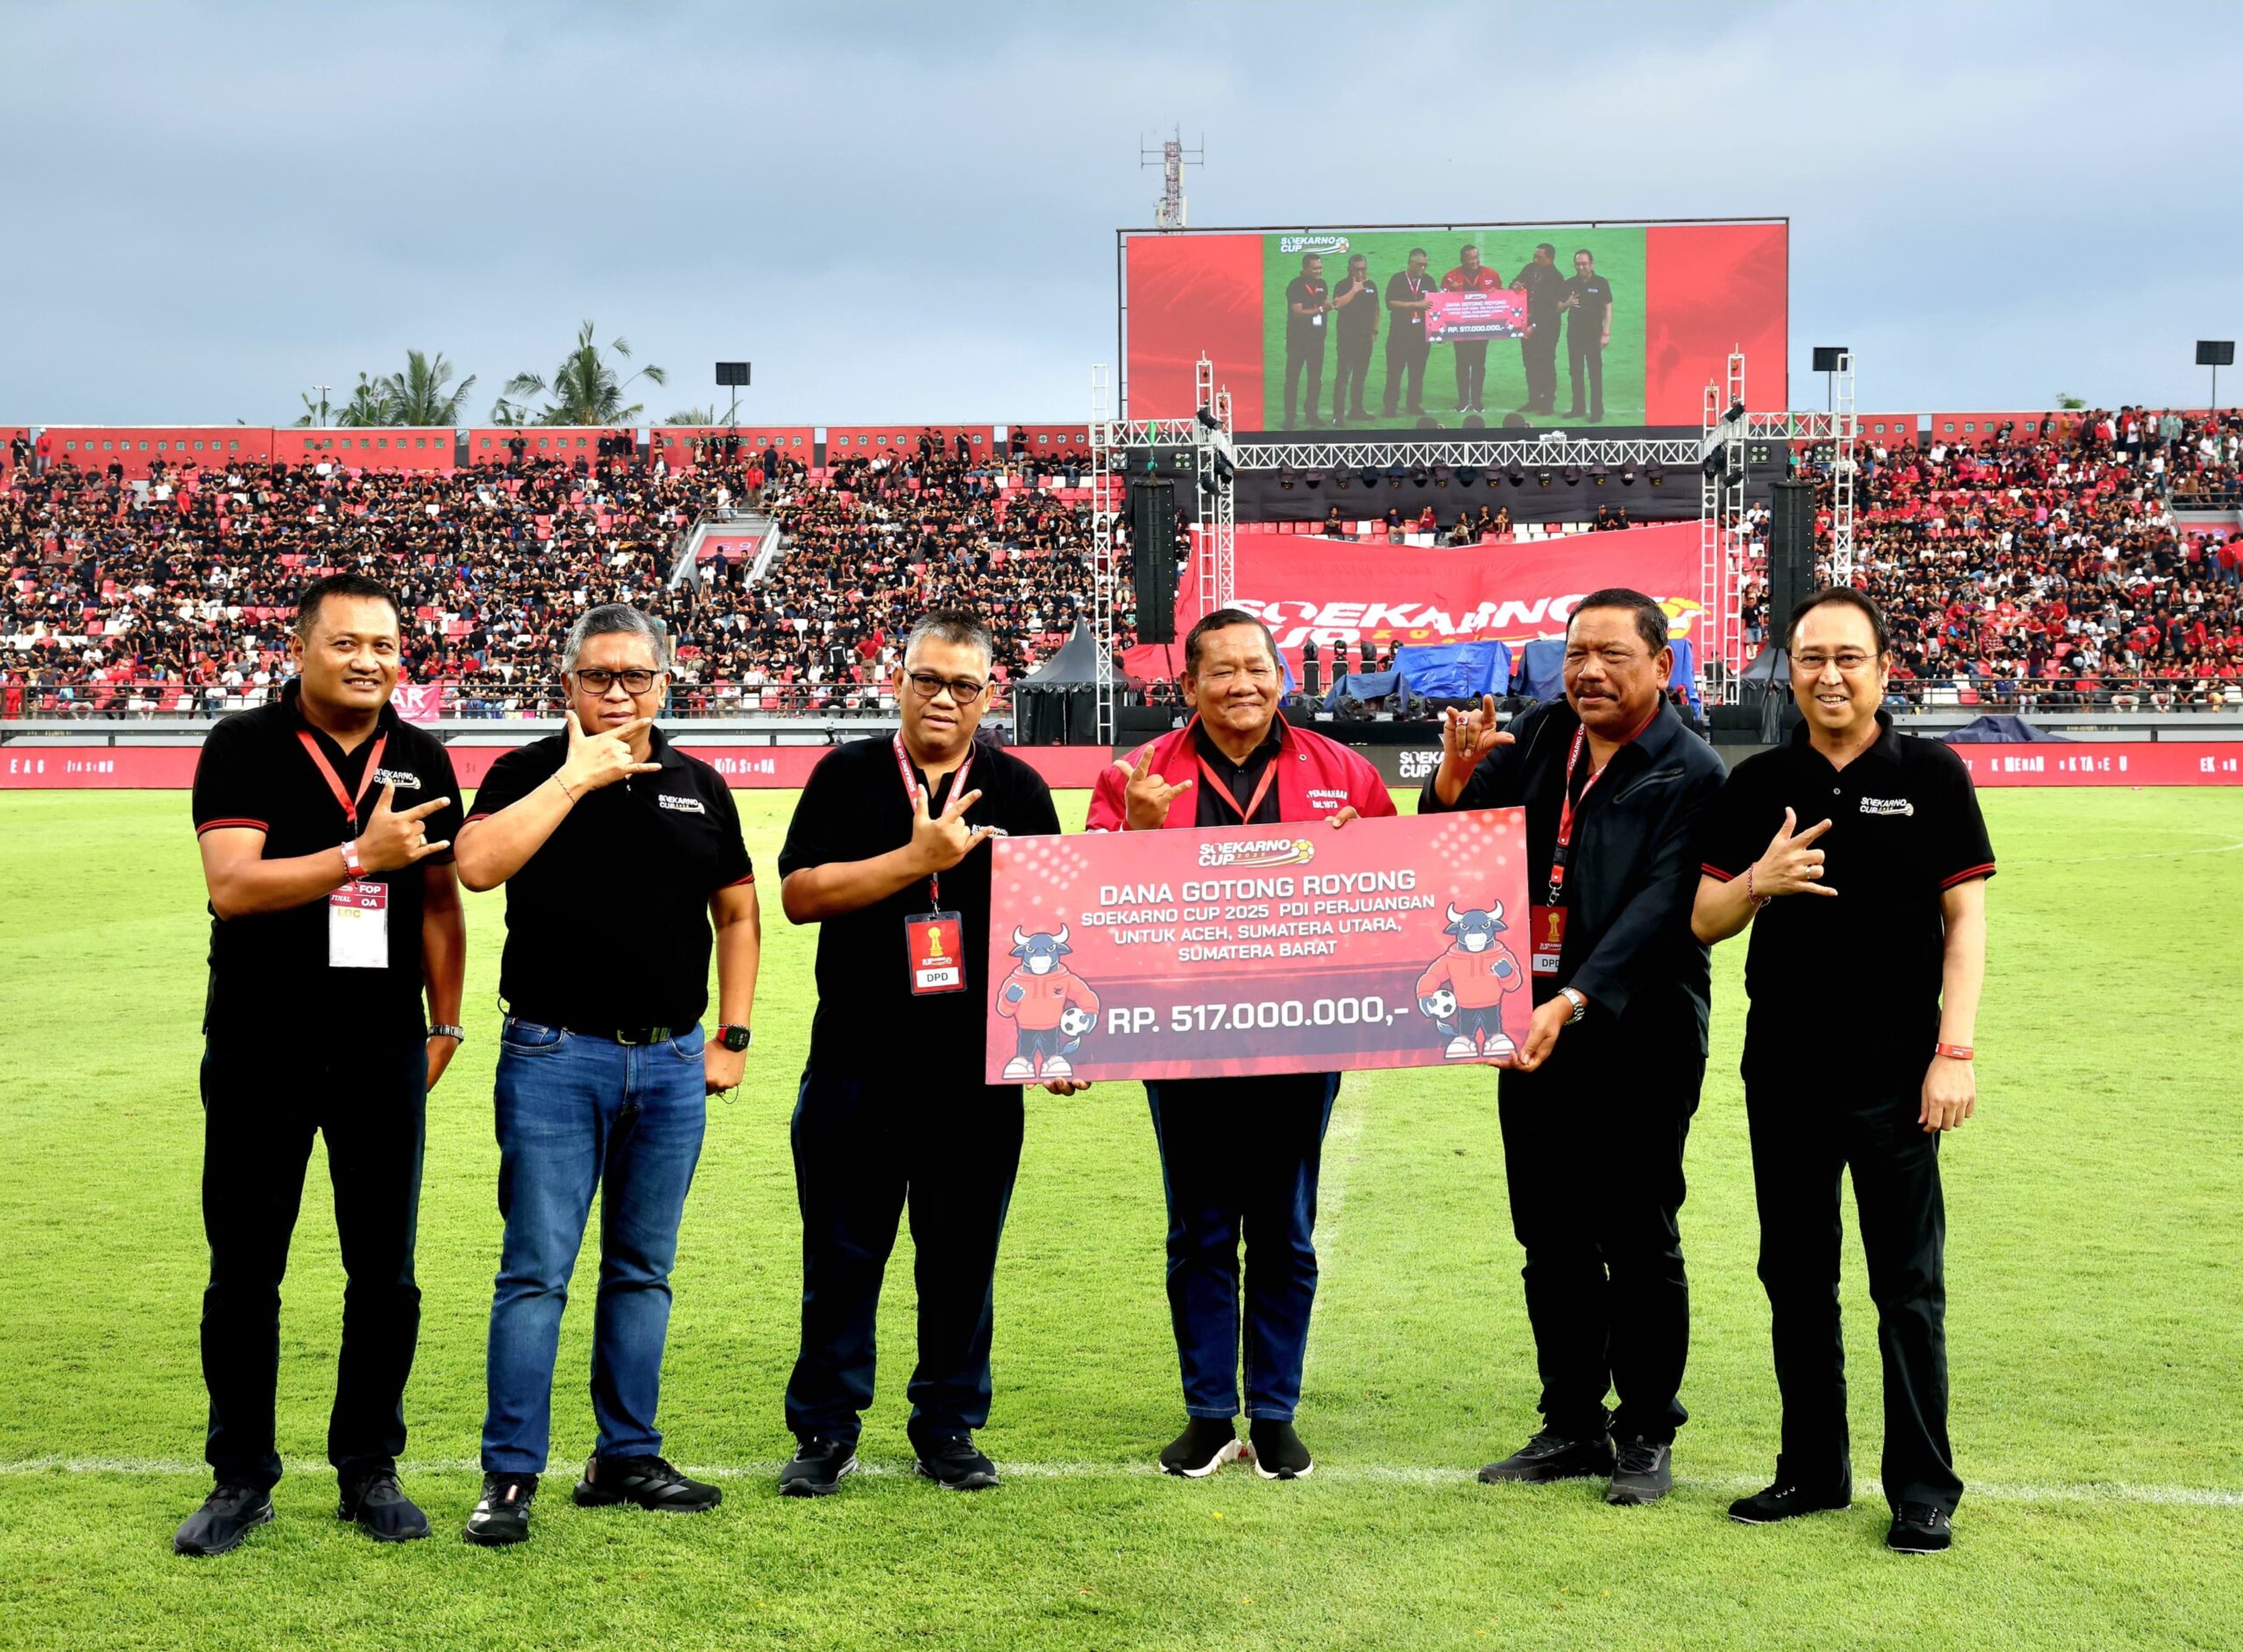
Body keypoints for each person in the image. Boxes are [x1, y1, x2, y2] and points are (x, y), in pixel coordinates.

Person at [1691, 587, 1992, 1556]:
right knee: (1795, 1275)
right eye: (1810, 657)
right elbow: (1703, 918)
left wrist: (1954, 1050)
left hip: (1900, 1076)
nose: (1828, 674)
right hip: (1782, 1072)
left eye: (1847, 658)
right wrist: (1755, 883)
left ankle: (1920, 1485)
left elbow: (1965, 923)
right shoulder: (1755, 781)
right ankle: (1811, 1470)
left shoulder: (1933, 774)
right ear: (1789, 667)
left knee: (1907, 1284)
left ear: (1880, 669)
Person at [455, 602, 761, 1547]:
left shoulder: (699, 786)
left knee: (642, 1271)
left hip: (671, 1061)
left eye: (637, 676)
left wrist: (733, 1035)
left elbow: (739, 914)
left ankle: (624, 1452)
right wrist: (575, 777)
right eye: (599, 676)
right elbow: (475, 866)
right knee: (536, 1272)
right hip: (554, 1054)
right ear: (568, 683)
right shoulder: (521, 772)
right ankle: (510, 1475)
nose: (619, 691)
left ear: (668, 682)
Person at [177, 572, 465, 1557]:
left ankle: (367, 1466)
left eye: (386, 645)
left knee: (384, 1272)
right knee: (245, 1271)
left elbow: (438, 903)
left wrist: (449, 1022)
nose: (370, 660)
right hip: (262, 1045)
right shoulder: (243, 745)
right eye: (348, 642)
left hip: (384, 1046)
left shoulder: (423, 756)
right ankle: (239, 1475)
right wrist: (356, 853)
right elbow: (233, 888)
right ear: (300, 647)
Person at [1422, 588, 1724, 1507]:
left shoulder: (1691, 771)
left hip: (1641, 1030)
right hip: (1532, 1020)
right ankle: (1570, 1422)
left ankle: (1644, 1429)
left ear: (1658, 666)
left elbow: (1664, 909)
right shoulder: (1542, 731)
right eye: (1575, 651)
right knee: (1548, 1232)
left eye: (1611, 654)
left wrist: (1578, 996)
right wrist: (1449, 776)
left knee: (1636, 1233)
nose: (1587, 670)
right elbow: (1459, 846)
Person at [1085, 609, 1396, 1479]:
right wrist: (1138, 831)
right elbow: (1088, 912)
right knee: (1199, 1229)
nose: (1242, 684)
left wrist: (1357, 860)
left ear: (1281, 675)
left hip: (1302, 1039)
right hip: (1180, 1037)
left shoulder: (1344, 773)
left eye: (1256, 666)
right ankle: (1207, 1411)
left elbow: (1396, 893)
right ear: (1186, 686)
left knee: (1285, 1231)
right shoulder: (1134, 776)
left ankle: (1277, 1409)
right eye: (1220, 671)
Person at [775, 610, 1065, 1497]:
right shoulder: (846, 774)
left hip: (977, 1071)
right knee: (839, 1257)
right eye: (926, 679)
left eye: (963, 684)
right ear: (896, 679)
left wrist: (1057, 1043)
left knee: (961, 1258)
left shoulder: (1018, 789)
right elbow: (798, 893)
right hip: (856, 1063)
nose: (943, 697)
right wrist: (914, 858)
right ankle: (825, 1425)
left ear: (990, 693)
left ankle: (947, 1421)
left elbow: (1054, 924)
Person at [1441, 244, 1506, 414]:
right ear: (1462, 260)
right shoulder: (1450, 277)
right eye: (1471, 258)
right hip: (1459, 328)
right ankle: (1463, 400)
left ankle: (1476, 400)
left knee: (1479, 364)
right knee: (1462, 364)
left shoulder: (1491, 275)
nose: (1475, 261)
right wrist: (1451, 291)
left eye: (1476, 257)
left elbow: (1502, 298)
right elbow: (1441, 304)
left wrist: (1496, 293)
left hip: (1482, 327)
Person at [1511, 244, 1566, 416]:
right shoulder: (1529, 269)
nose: (1535, 259)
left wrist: (1534, 326)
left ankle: (1548, 402)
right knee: (1530, 363)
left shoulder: (1557, 278)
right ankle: (1534, 399)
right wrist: (1516, 285)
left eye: (1539, 257)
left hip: (1546, 329)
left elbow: (1551, 309)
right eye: (1534, 256)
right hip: (1526, 325)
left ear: (1550, 258)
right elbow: (1514, 283)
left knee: (1546, 363)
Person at [1561, 250, 1616, 422]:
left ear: (1591, 264)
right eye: (1578, 264)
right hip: (1574, 335)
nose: (1581, 267)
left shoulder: (1601, 283)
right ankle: (1578, 408)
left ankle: (1597, 412)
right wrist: (1566, 303)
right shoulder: (1569, 283)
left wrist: (1606, 333)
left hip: (1593, 334)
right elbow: (1559, 307)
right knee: (1575, 372)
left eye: (1584, 263)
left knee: (1594, 373)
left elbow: (1608, 308)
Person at [1382, 248, 1435, 419]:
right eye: (1420, 265)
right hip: (1399, 335)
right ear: (1410, 263)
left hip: (1421, 336)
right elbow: (1390, 303)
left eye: (1425, 265)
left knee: (1417, 371)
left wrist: (1438, 331)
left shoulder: (1428, 281)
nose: (1423, 268)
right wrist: (1415, 305)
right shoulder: (1397, 280)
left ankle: (1413, 404)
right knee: (1394, 371)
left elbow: (1436, 307)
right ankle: (1390, 406)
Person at [1327, 253, 1378, 427]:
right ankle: (1338, 415)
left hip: (1365, 339)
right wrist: (1355, 289)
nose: (1360, 272)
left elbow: (1376, 309)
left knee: (1360, 377)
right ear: (1349, 269)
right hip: (1347, 339)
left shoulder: (1371, 286)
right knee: (1343, 377)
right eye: (1357, 269)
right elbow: (1338, 305)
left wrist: (1375, 330)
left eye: (1363, 269)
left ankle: (1356, 410)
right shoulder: (1342, 285)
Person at [1282, 252, 1330, 431]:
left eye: (1320, 267)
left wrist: (1330, 304)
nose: (1319, 271)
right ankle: (1289, 418)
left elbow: (1325, 302)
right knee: (1293, 379)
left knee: (1315, 379)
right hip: (1297, 341)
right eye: (1315, 268)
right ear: (1305, 268)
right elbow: (1298, 312)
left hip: (1317, 341)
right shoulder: (1295, 286)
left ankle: (1311, 414)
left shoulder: (1322, 284)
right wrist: (1321, 309)